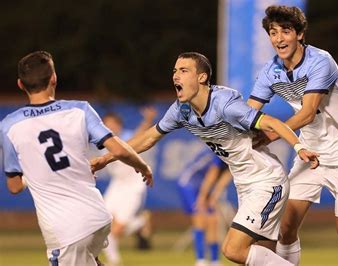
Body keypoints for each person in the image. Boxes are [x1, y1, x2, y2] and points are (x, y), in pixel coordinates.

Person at [91, 52, 319, 266]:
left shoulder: (225, 104)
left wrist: (299, 147)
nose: (175, 75)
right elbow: (149, 137)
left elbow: (272, 123)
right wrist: (108, 158)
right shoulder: (181, 110)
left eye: (183, 70)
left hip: (267, 181)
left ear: (202, 77)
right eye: (174, 71)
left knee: (232, 250)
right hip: (245, 185)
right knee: (262, 254)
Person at [247, 5, 338, 266]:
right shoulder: (270, 71)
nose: (279, 39)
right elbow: (248, 113)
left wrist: (269, 136)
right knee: (285, 229)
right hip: (310, 154)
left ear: (300, 33)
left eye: (286, 31)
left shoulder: (321, 62)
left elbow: (307, 113)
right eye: (273, 32)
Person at [1, 51, 153, 266]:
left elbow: (14, 186)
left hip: (66, 230)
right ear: (54, 78)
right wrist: (143, 166)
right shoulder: (80, 109)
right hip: (98, 216)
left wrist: (32, 174)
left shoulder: (9, 126)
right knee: (91, 260)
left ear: (20, 84)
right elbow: (119, 150)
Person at [100, 107, 157, 266]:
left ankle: (138, 223)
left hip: (133, 186)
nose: (109, 127)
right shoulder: (104, 141)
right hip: (117, 185)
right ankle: (115, 260)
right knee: (101, 224)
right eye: (106, 124)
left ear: (119, 125)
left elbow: (140, 134)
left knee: (116, 231)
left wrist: (147, 120)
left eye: (111, 124)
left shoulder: (125, 137)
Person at [177, 147, 232, 266]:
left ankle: (214, 261)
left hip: (205, 185)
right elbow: (212, 174)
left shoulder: (237, 154)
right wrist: (202, 197)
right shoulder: (221, 150)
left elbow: (225, 177)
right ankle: (200, 259)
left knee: (213, 221)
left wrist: (214, 196)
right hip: (190, 184)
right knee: (200, 219)